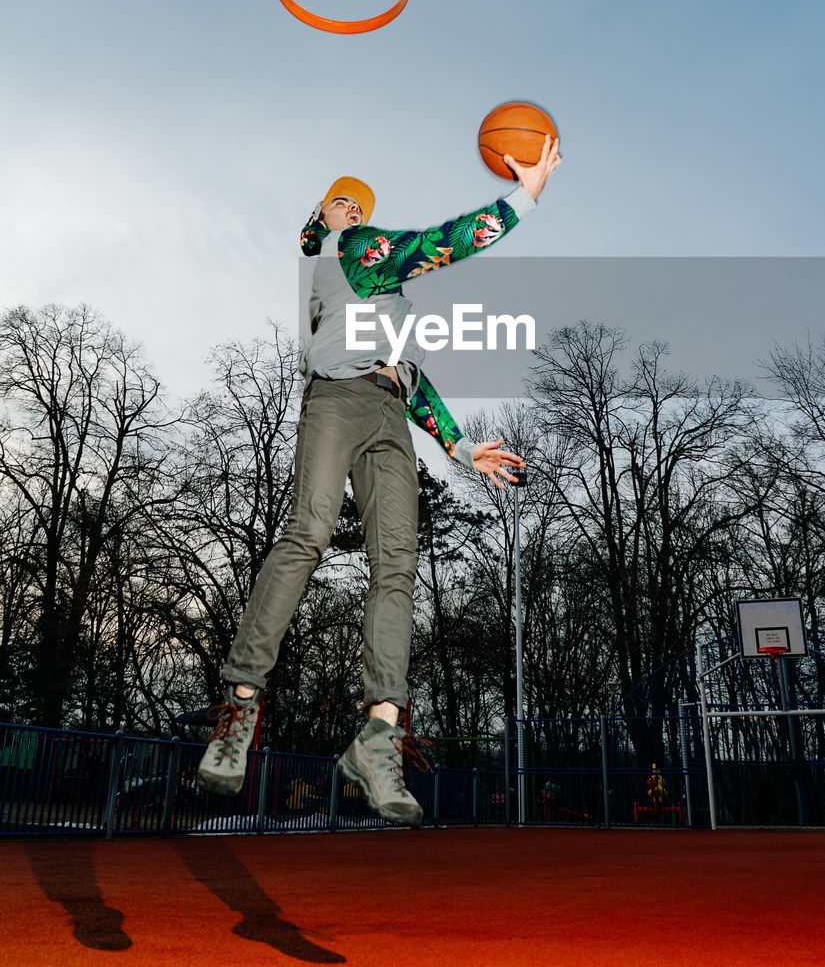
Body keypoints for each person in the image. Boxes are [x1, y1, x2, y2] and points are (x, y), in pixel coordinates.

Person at [197, 137, 561, 824]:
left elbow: (406, 381)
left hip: (387, 415)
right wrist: (524, 194)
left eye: (359, 204)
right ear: (325, 213)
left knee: (397, 565)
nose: (356, 210)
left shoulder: (373, 282)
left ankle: (379, 733)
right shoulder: (355, 250)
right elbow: (441, 242)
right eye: (343, 201)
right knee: (306, 531)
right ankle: (239, 707)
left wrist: (457, 445)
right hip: (335, 402)